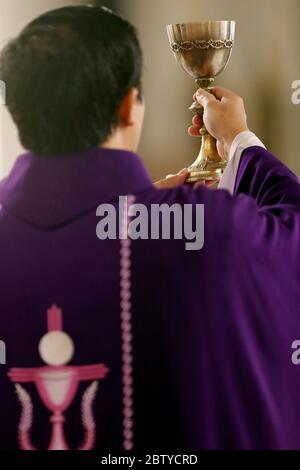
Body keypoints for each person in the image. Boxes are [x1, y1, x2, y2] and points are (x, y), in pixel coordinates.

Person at [0, 5, 299, 451]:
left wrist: (131, 208)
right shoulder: (204, 232)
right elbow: (290, 236)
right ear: (127, 106)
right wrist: (240, 141)